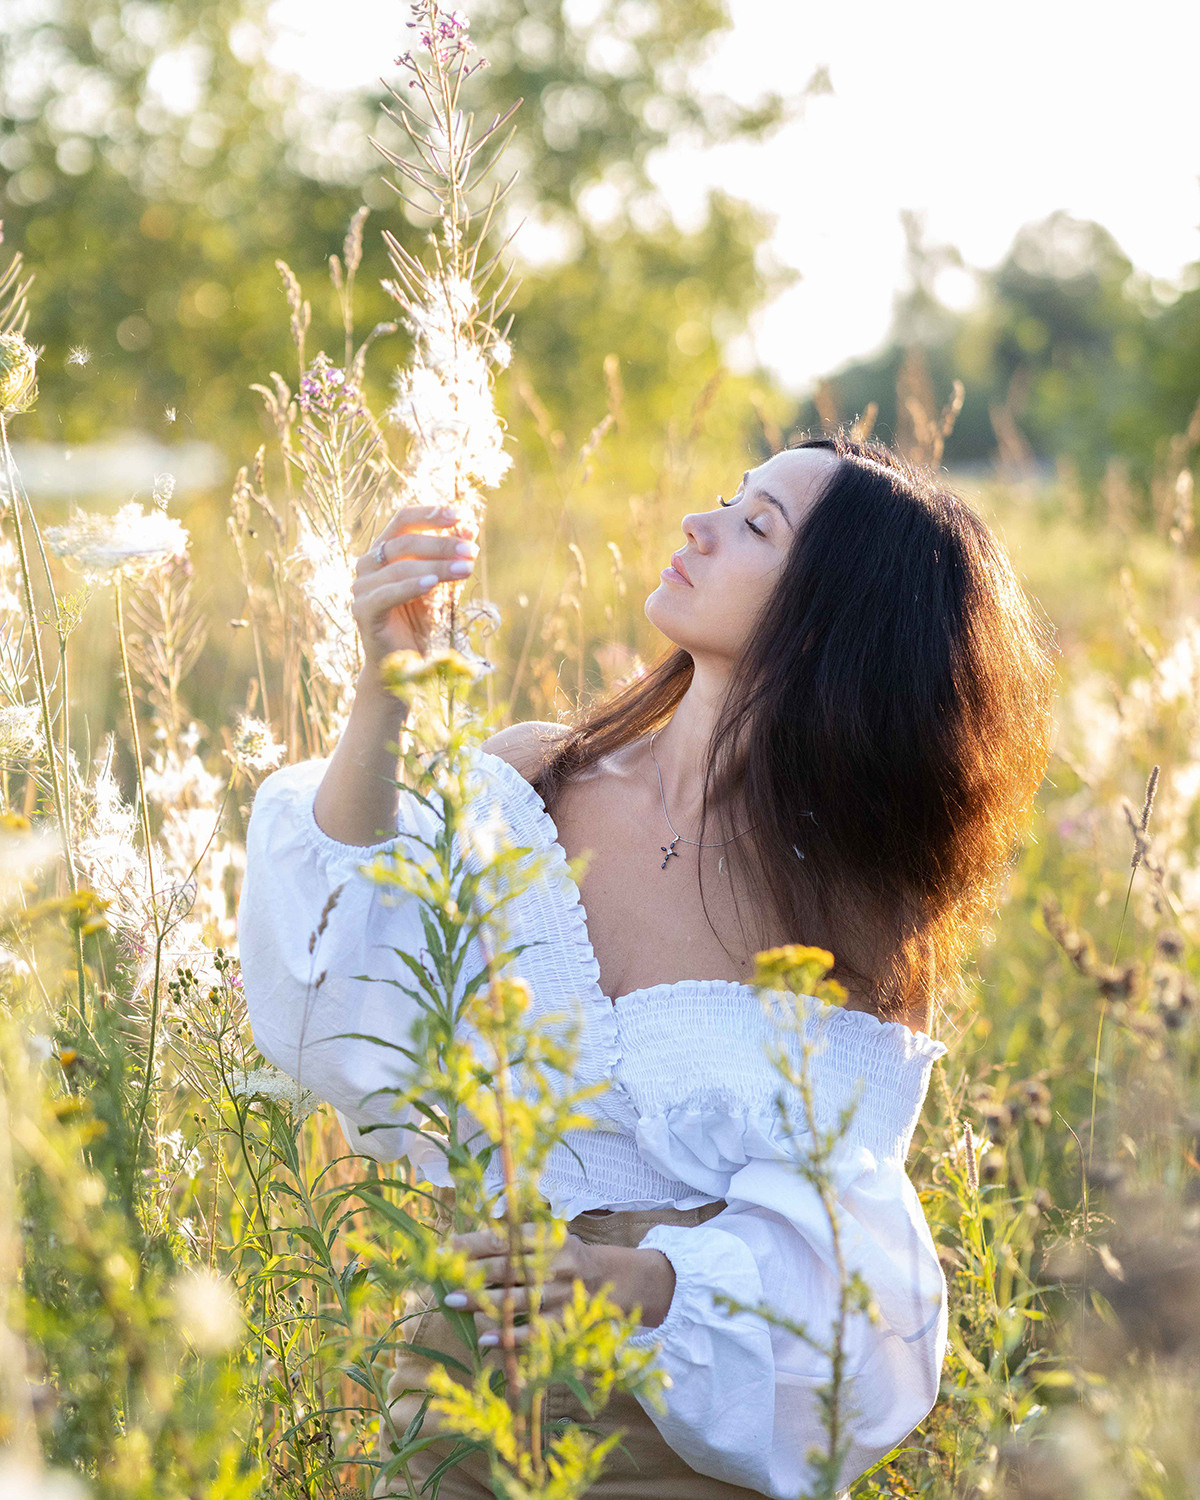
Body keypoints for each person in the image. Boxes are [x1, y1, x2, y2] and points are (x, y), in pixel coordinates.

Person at [238, 429, 1057, 1498]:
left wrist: (635, 1280)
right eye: (728, 495)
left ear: (827, 622)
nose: (698, 524)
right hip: (467, 1365)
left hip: (680, 1412)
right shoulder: (537, 778)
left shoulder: (858, 903)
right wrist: (383, 688)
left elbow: (844, 1250)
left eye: (755, 524)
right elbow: (337, 968)